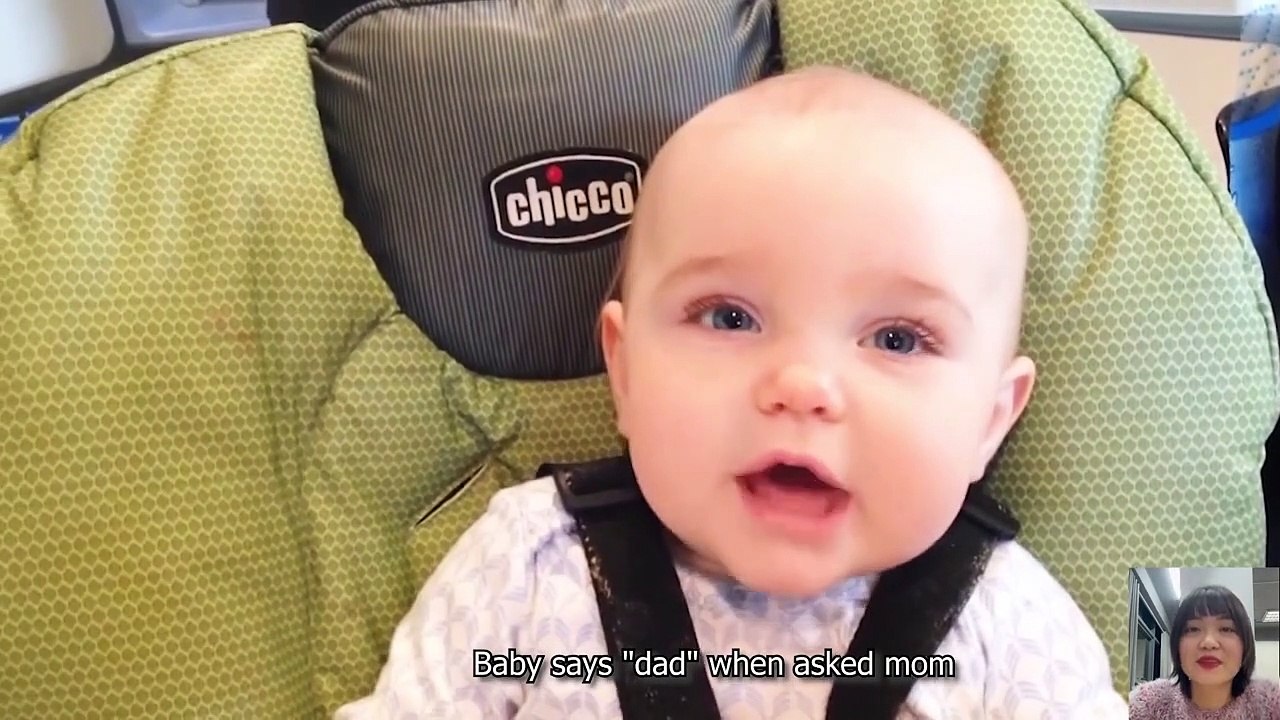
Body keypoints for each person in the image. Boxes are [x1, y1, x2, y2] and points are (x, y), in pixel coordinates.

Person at [335, 66, 1129, 718]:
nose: (802, 386)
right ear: (625, 371)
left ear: (989, 422)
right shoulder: (530, 569)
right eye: (728, 317)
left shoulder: (1008, 625)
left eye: (897, 339)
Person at [1129, 585, 1280, 719]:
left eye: (1226, 629)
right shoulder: (1147, 705)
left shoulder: (1271, 704)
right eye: (1193, 629)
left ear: (1245, 644)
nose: (1208, 643)